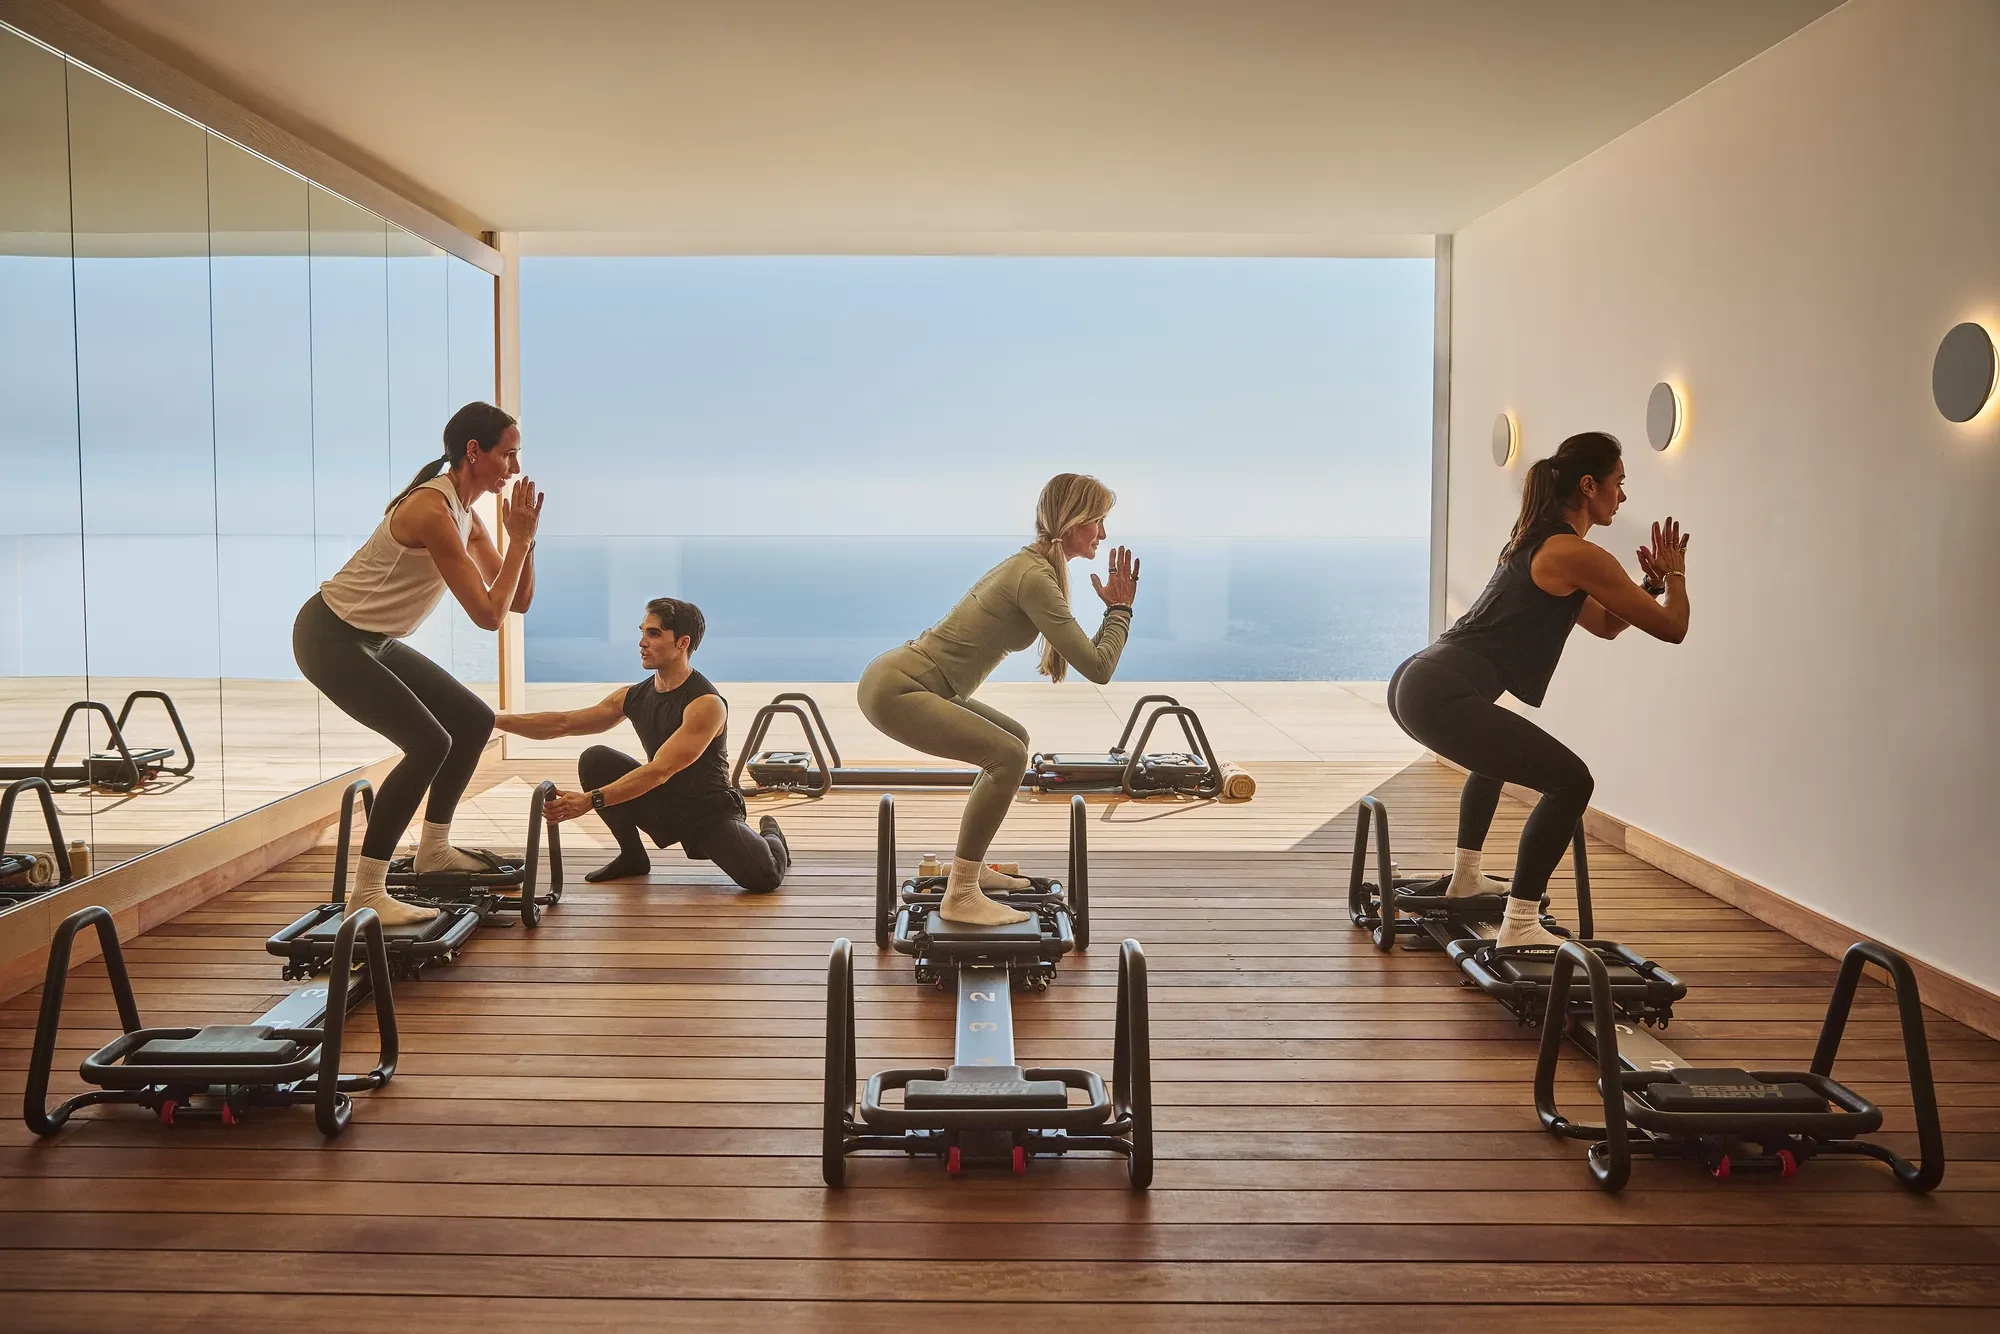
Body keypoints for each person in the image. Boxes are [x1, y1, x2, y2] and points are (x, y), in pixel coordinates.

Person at [1387, 431, 1689, 948]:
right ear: (1589, 485)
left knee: (1495, 757)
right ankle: (1521, 924)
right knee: (1571, 783)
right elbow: (1672, 628)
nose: (1624, 495)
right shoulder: (1576, 552)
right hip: (1440, 688)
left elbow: (1606, 625)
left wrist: (1651, 584)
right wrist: (1677, 576)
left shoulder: (1540, 541)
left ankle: (1466, 878)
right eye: (1620, 483)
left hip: (1419, 680)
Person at [294, 401, 541, 927]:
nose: (515, 467)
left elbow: (517, 600)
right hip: (329, 637)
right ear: (474, 452)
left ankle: (434, 849)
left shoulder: (466, 514)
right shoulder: (432, 510)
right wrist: (517, 539)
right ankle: (368, 892)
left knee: (472, 721)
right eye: (508, 454)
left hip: (372, 639)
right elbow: (488, 616)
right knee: (430, 743)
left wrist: (527, 538)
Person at [856, 474, 1140, 926]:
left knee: (1014, 739)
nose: (1103, 535)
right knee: (1007, 757)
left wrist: (1113, 613)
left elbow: (1089, 658)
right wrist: (1120, 610)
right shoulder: (1034, 577)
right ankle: (962, 893)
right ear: (1073, 522)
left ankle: (972, 869)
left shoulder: (1036, 567)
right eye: (1098, 522)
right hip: (899, 688)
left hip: (913, 680)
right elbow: (1099, 667)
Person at [494, 598, 789, 893]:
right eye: (642, 632)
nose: (642, 642)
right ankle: (632, 856)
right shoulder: (633, 696)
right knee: (596, 759)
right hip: (662, 803)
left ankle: (771, 832)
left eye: (654, 634)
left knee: (765, 878)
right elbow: (564, 723)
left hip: (708, 813)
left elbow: (660, 770)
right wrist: (494, 721)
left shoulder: (705, 704)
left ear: (682, 642)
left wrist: (589, 800)